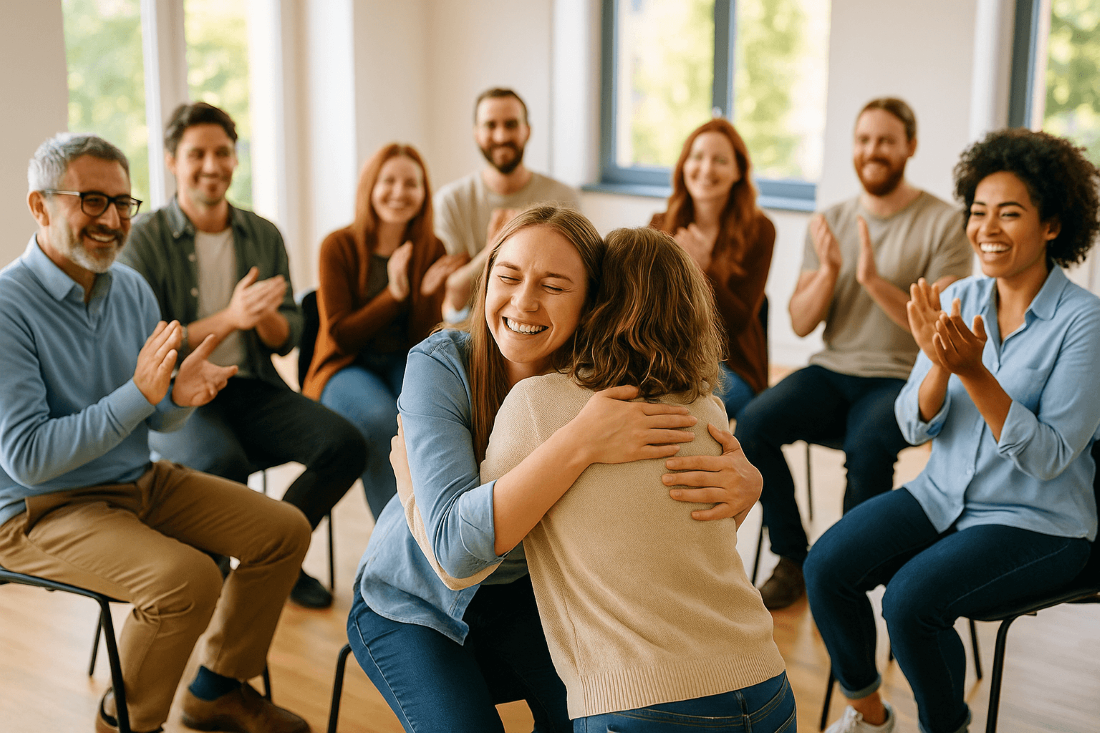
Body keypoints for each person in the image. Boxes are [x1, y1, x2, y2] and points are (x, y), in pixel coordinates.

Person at [347, 206, 763, 733]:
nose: (523, 301)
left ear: (593, 302)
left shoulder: (599, 381)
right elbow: (452, 546)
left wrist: (746, 486)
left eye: (554, 285)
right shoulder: (441, 363)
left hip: (532, 599)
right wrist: (579, 443)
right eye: (509, 276)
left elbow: (665, 525)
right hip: (414, 603)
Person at [0, 133, 312, 733]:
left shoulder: (131, 289)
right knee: (189, 580)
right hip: (41, 508)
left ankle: (216, 689)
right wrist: (140, 396)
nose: (113, 219)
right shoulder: (10, 306)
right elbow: (27, 459)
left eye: (122, 203)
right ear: (39, 206)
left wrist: (175, 400)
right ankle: (127, 722)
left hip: (136, 480)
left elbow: (152, 415)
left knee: (283, 530)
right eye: (91, 200)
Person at [807, 128, 1100, 733]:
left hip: (1037, 520)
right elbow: (913, 423)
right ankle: (870, 715)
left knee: (911, 602)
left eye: (1010, 213)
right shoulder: (961, 295)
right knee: (826, 566)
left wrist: (974, 370)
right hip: (940, 493)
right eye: (978, 212)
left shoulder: (1084, 323)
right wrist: (940, 365)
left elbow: (1047, 458)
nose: (987, 228)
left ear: (1052, 225)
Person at [481, 226, 793, 731]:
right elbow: (688, 544)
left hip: (642, 702)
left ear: (593, 304)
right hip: (765, 684)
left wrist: (410, 480)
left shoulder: (537, 405)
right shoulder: (707, 409)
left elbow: (475, 551)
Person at [121, 102, 366, 609]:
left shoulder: (263, 233)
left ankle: (277, 554)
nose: (212, 165)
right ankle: (232, 579)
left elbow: (289, 336)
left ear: (235, 159)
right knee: (221, 462)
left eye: (223, 153)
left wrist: (268, 320)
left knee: (346, 444)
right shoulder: (143, 238)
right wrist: (230, 318)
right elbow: (142, 343)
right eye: (197, 154)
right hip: (178, 398)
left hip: (251, 385)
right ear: (171, 161)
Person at [735, 97, 973, 609]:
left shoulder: (945, 223)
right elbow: (801, 323)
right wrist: (829, 272)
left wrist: (870, 280)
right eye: (864, 140)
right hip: (833, 368)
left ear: (909, 146)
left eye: (886, 140)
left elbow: (937, 331)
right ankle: (796, 559)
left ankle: (845, 577)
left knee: (868, 450)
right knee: (753, 424)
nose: (873, 151)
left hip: (900, 378)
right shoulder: (831, 220)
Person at [302, 144, 465, 519]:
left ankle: (436, 527)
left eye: (411, 183)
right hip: (342, 366)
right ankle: (394, 538)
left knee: (427, 415)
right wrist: (394, 295)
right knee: (381, 421)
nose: (399, 192)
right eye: (388, 181)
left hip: (399, 359)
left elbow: (421, 343)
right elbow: (342, 335)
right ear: (370, 188)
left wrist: (425, 297)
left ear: (424, 193)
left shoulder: (431, 247)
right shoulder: (337, 246)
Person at [650, 118, 776, 418]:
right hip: (668, 358)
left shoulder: (760, 230)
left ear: (737, 171)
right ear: (684, 166)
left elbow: (738, 322)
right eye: (697, 157)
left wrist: (702, 268)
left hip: (733, 366)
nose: (706, 169)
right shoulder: (659, 225)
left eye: (720, 160)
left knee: (675, 409)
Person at [433, 88, 580, 320]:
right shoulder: (451, 200)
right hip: (473, 328)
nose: (501, 136)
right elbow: (455, 297)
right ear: (476, 133)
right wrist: (499, 242)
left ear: (527, 131)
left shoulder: (564, 196)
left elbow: (570, 286)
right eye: (490, 125)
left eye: (511, 125)